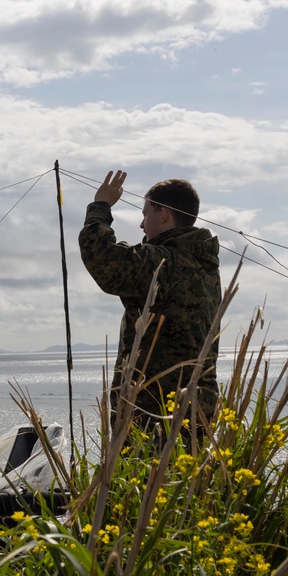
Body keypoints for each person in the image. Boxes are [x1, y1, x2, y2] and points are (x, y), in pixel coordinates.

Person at [78, 170, 221, 431]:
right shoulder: (203, 265)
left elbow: (102, 257)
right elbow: (134, 261)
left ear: (164, 214)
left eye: (145, 214)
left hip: (154, 414)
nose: (142, 224)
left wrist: (100, 206)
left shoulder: (163, 263)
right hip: (200, 408)